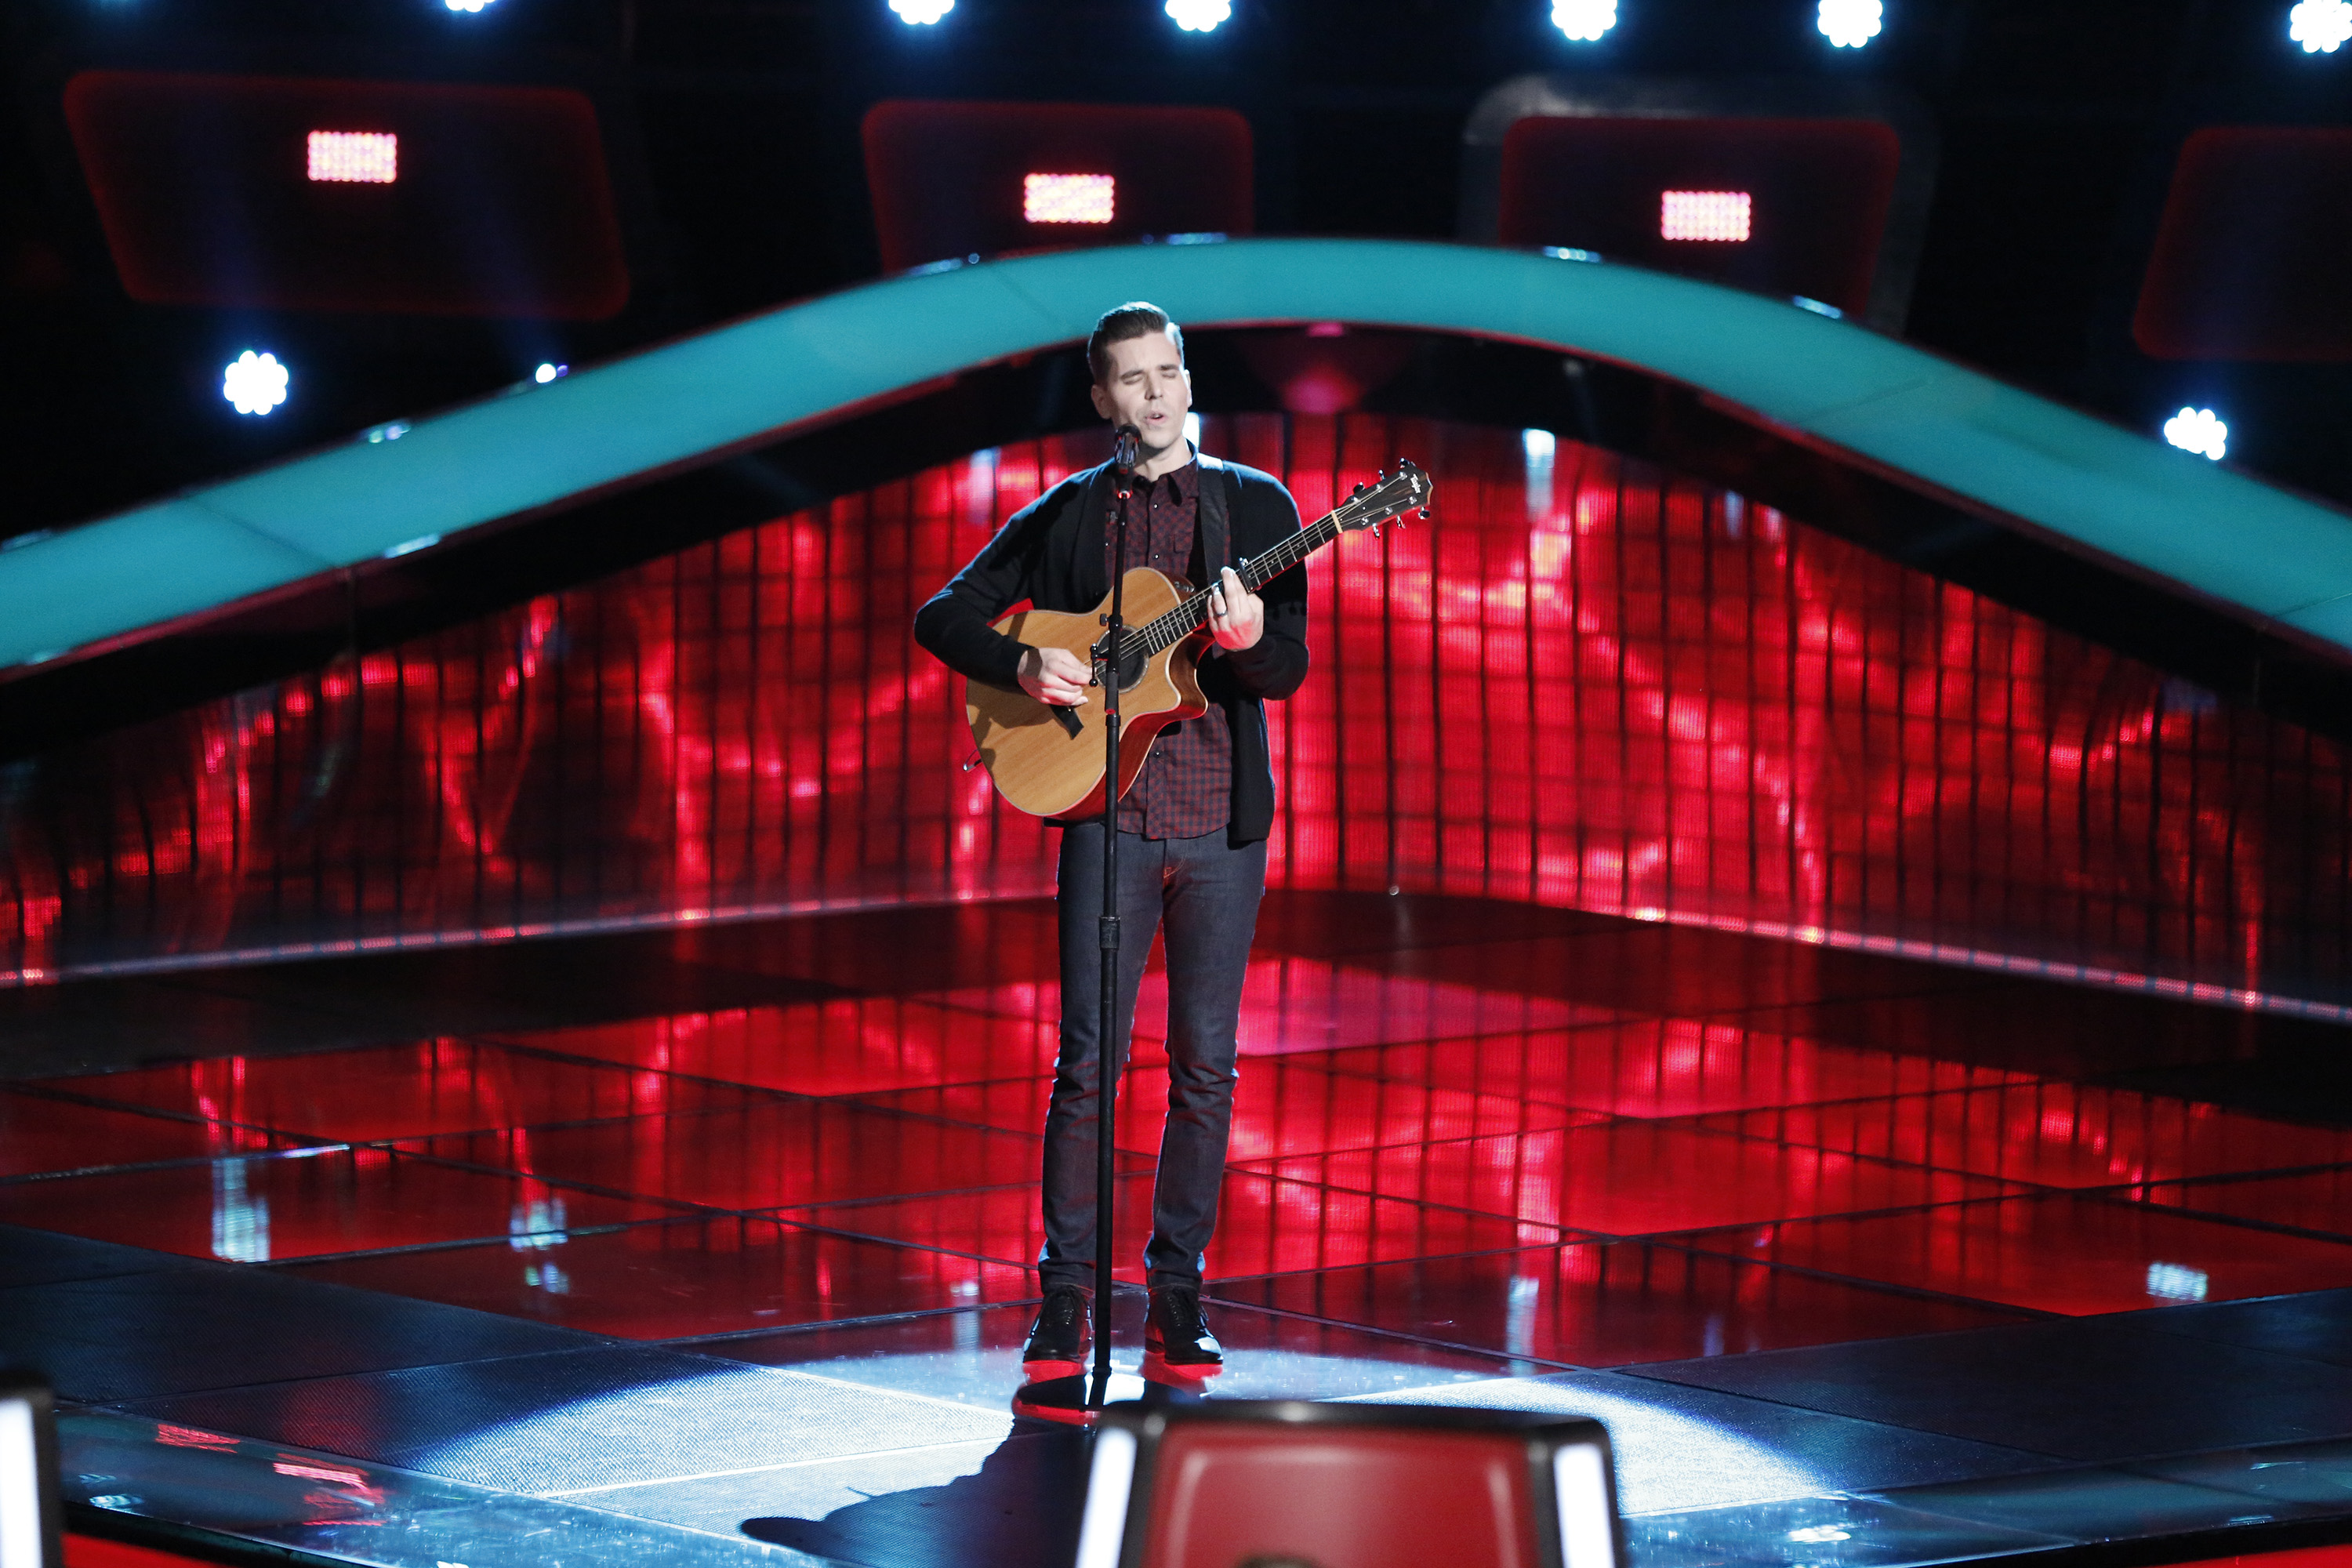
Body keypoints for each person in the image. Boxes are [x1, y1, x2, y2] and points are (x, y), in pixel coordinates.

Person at [913, 301, 1310, 1385]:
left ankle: (1177, 1292)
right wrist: (1022, 667)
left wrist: (1250, 637)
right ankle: (1066, 1298)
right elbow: (943, 612)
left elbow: (1286, 671)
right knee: (1087, 1068)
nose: (1154, 392)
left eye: (1167, 372)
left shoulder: (1257, 509)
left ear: (1187, 378)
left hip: (1221, 827)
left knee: (1205, 1069)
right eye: (1130, 379)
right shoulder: (1073, 514)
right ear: (1104, 400)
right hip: (1103, 819)